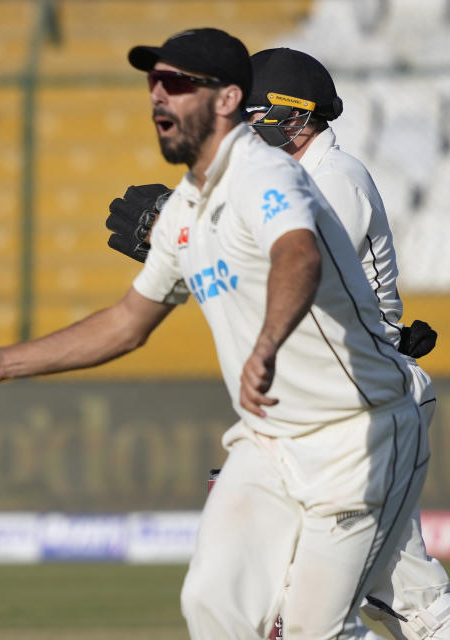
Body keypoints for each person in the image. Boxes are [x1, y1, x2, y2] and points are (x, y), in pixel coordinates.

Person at [0, 28, 429, 639]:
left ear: (229, 103)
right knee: (214, 608)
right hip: (272, 432)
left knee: (320, 623)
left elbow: (299, 258)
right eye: (154, 84)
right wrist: (4, 362)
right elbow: (126, 322)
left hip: (356, 427)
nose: (158, 100)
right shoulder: (192, 206)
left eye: (177, 86)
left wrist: (266, 342)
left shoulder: (281, 176)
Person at [107, 47, 447, 640]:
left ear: (293, 115)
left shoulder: (335, 178)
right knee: (298, 609)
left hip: (362, 411)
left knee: (408, 605)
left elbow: (291, 273)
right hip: (317, 409)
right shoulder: (283, 179)